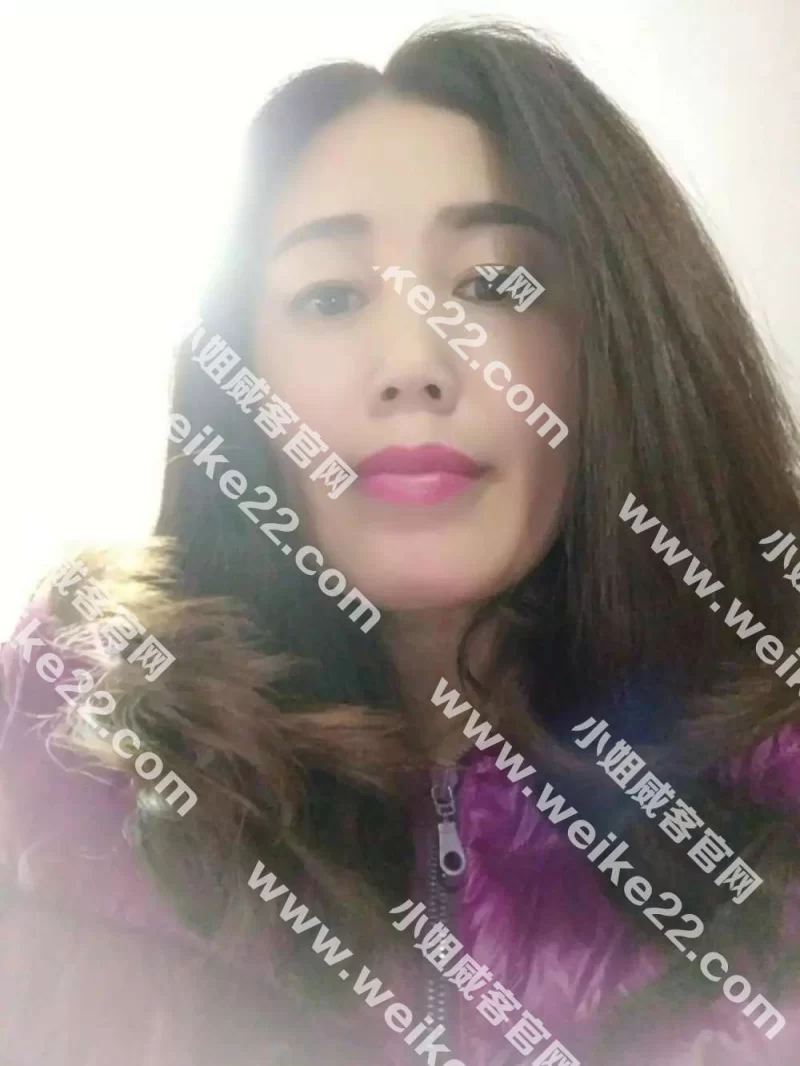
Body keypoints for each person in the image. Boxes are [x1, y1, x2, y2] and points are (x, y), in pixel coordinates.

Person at [2, 18, 800, 1066]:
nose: (412, 363)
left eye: (493, 284)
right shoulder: (61, 757)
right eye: (330, 296)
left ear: (622, 339)